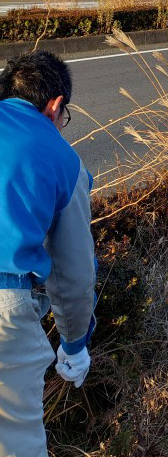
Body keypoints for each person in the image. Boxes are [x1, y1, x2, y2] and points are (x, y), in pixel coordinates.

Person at [0, 51, 97, 456]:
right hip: (6, 305)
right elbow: (73, 271)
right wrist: (75, 343)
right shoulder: (60, 157)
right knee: (16, 442)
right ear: (56, 106)